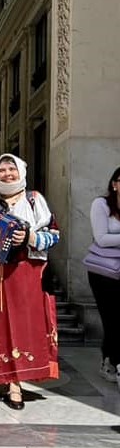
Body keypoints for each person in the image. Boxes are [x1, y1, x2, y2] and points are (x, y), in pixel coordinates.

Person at [0, 154, 59, 410]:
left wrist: (28, 237)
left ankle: (17, 381)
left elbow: (54, 235)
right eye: (2, 170)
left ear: (21, 171)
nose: (7, 174)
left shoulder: (34, 200)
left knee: (24, 324)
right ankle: (4, 378)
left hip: (24, 274)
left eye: (11, 169)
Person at [87, 166, 120, 389]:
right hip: (104, 272)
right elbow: (101, 238)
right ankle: (111, 361)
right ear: (115, 184)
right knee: (112, 318)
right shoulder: (101, 204)